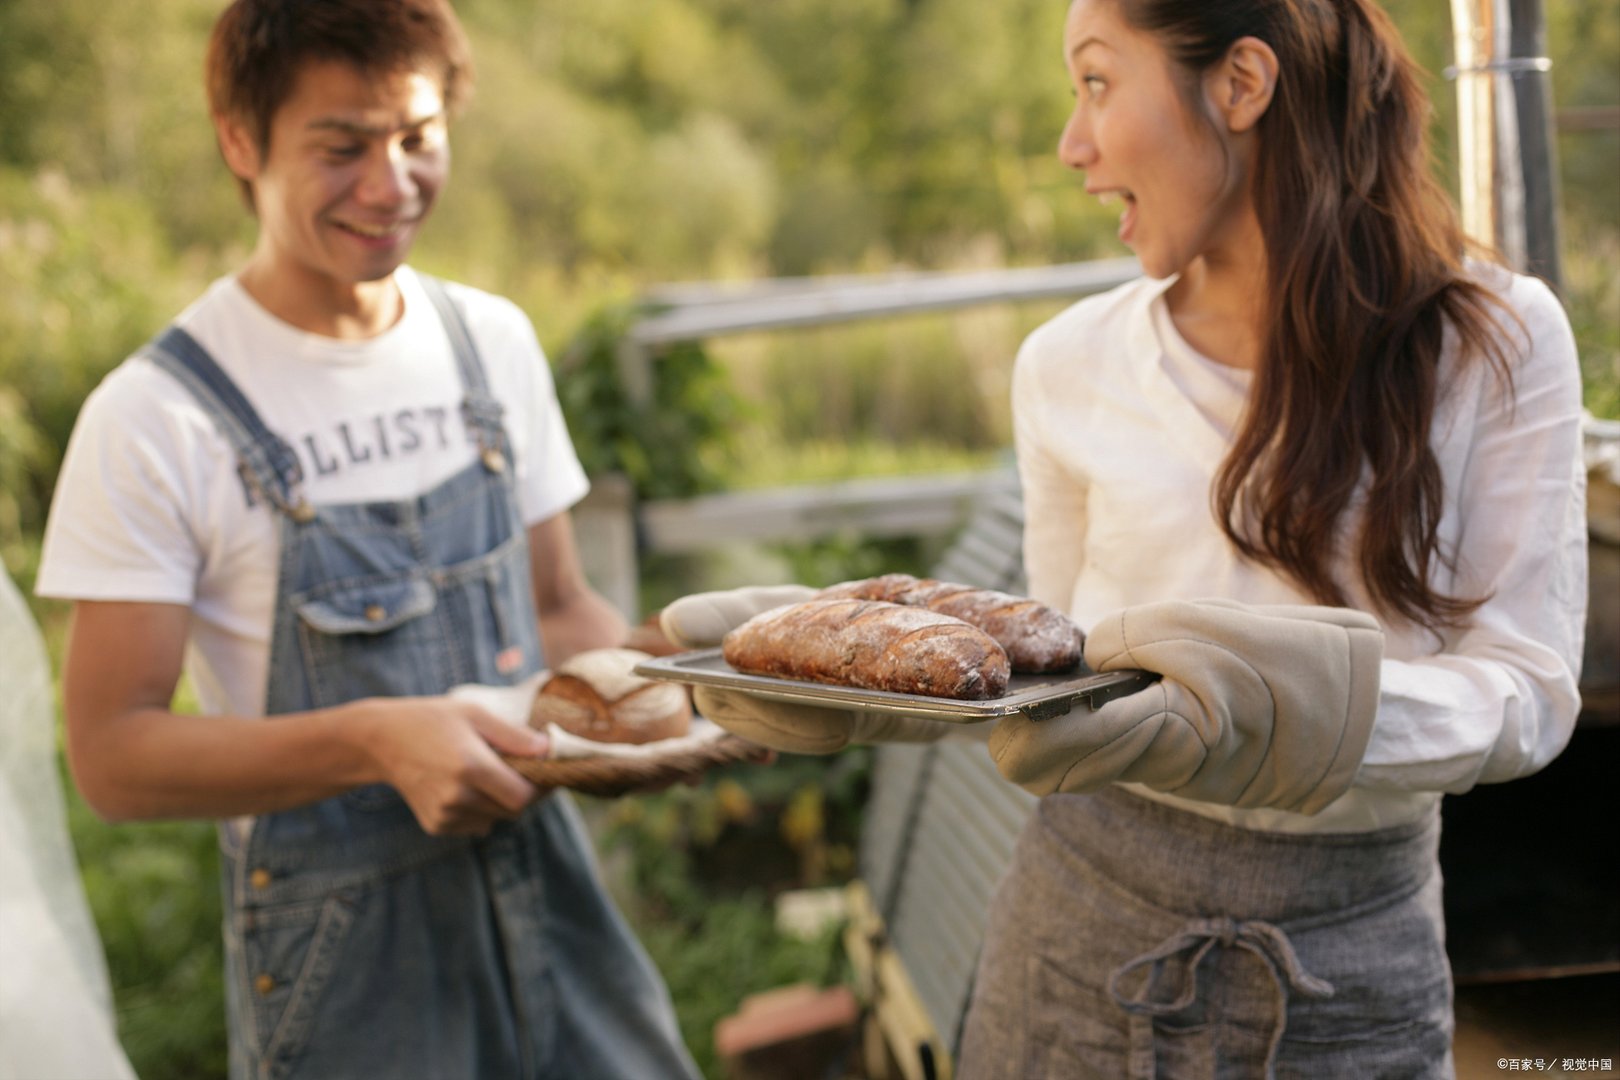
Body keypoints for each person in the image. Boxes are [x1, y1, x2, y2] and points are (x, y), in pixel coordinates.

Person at [660, 0, 1588, 1075]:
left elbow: (1529, 693)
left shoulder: (1496, 342)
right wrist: (884, 694)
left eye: (1097, 82)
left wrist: (1292, 712)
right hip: (1074, 943)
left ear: (1242, 84)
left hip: (1346, 973)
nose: (1073, 144)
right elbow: (1058, 675)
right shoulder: (1067, 363)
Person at [34, 2, 699, 1077]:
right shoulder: (157, 417)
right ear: (239, 139)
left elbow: (558, 606)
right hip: (344, 968)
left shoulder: (491, 342)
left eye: (417, 137)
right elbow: (114, 757)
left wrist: (666, 700)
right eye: (341, 146)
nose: (391, 186)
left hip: (552, 902)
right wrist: (374, 741)